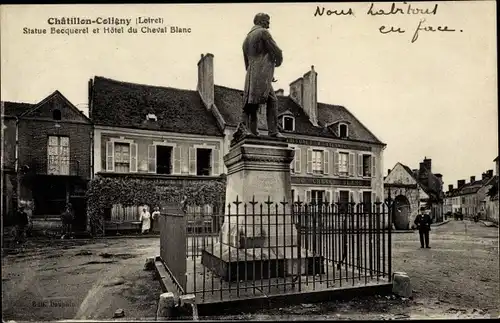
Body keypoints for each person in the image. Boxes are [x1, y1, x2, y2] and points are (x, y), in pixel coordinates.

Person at [240, 12, 284, 138]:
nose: (269, 24)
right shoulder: (263, 33)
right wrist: (276, 65)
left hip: (251, 75)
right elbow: (277, 51)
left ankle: (252, 131)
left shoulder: (246, 40)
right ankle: (273, 132)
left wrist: (262, 73)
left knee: (252, 102)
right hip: (261, 73)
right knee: (273, 100)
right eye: (267, 21)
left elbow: (246, 63)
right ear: (261, 21)